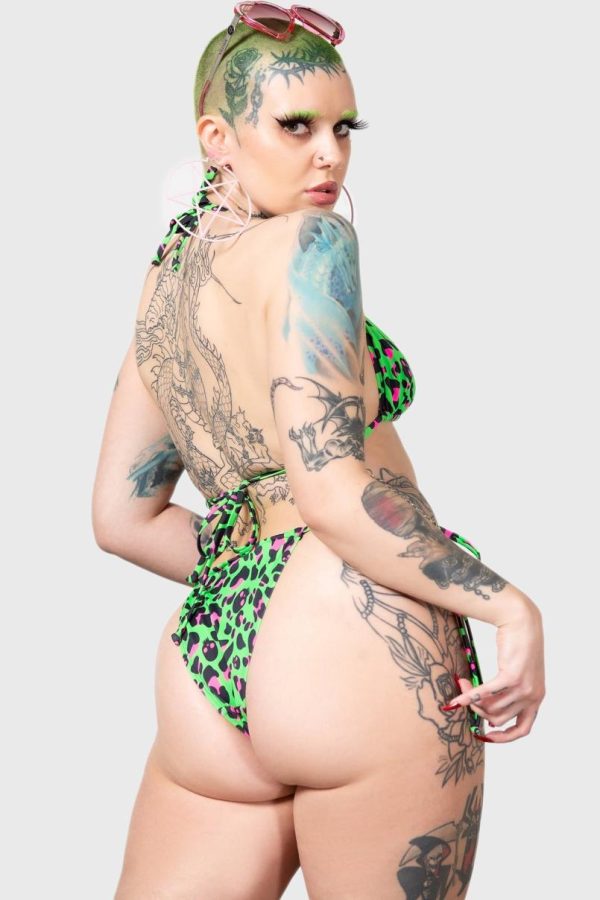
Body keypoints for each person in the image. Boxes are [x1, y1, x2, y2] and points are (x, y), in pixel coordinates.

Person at [92, 5, 546, 898]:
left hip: (210, 655)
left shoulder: (167, 279)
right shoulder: (313, 244)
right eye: (295, 126)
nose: (329, 156)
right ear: (217, 139)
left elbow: (121, 518)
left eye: (346, 129)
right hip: (355, 638)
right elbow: (333, 489)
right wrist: (509, 607)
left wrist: (258, 575)